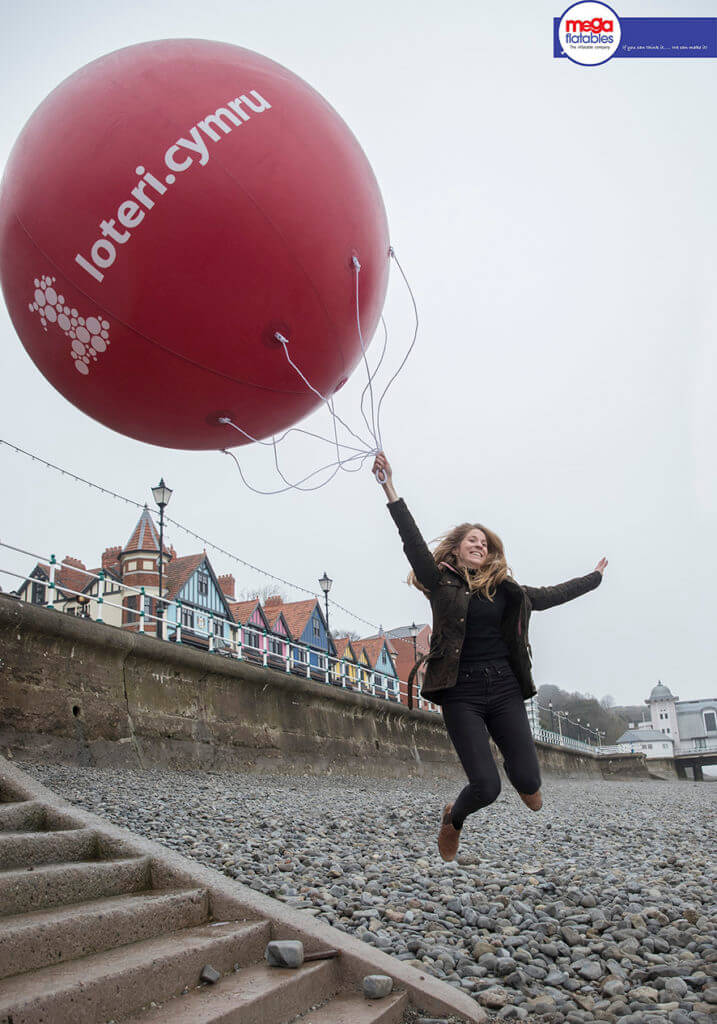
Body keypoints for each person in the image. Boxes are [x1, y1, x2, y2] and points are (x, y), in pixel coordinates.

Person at [371, 451, 607, 861]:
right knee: (487, 787)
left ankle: (522, 780)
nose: (479, 546)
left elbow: (553, 595)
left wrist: (595, 579)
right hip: (459, 691)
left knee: (531, 788)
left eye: (484, 542)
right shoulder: (438, 581)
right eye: (471, 541)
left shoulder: (510, 591)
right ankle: (453, 818)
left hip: (503, 688)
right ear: (458, 550)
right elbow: (411, 539)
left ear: (490, 551)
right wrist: (390, 487)